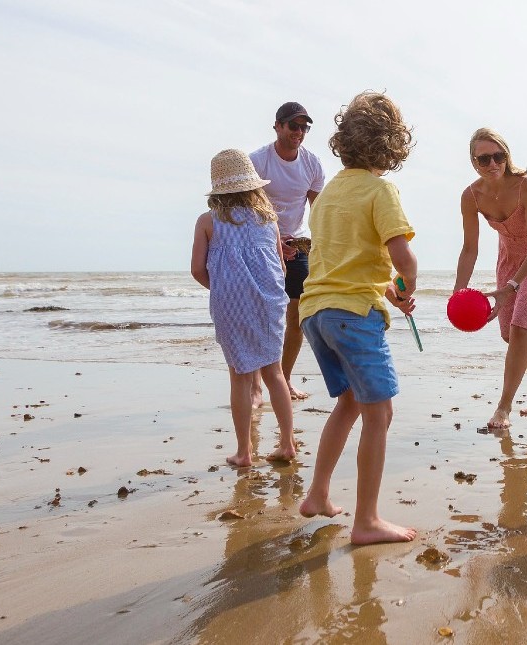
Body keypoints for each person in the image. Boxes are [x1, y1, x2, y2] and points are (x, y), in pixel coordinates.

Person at [296, 91, 419, 545]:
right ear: (392, 145)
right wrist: (407, 286)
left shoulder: (328, 195)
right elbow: (404, 259)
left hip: (316, 314)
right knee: (379, 413)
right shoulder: (380, 189)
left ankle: (318, 494)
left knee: (349, 402)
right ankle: (366, 520)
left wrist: (388, 289)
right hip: (352, 316)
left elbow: (344, 262)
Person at [190, 149, 297, 468]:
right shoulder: (269, 220)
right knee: (274, 372)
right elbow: (281, 265)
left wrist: (223, 289)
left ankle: (244, 452)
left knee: (239, 375)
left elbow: (197, 268)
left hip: (230, 305)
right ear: (254, 186)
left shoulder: (208, 221)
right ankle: (288, 444)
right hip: (270, 300)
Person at [456, 128, 527, 429]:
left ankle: (503, 408)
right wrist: (458, 291)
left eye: (498, 156)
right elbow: (469, 248)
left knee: (520, 327)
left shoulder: (526, 187)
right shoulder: (471, 196)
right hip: (509, 255)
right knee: (510, 334)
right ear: (474, 162)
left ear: (506, 156)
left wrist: (511, 288)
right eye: (484, 159)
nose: (493, 164)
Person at [249, 101, 327, 402]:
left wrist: (322, 246)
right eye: (293, 125)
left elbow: (318, 210)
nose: (299, 132)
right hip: (261, 243)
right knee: (262, 316)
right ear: (278, 126)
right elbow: (249, 209)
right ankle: (256, 386)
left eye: (304, 127)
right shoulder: (258, 162)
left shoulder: (312, 164)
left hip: (297, 245)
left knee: (298, 316)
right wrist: (272, 240)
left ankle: (284, 380)